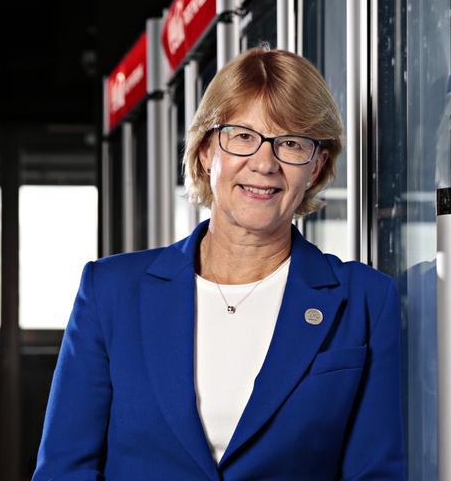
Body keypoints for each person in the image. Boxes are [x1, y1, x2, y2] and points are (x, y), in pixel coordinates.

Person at [32, 47, 405, 480]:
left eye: (290, 143)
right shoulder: (111, 291)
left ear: (316, 165)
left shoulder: (364, 300)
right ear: (207, 150)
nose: (265, 164)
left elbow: (376, 472)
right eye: (243, 136)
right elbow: (64, 470)